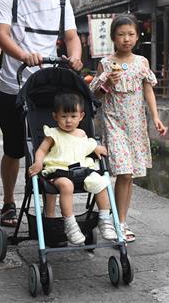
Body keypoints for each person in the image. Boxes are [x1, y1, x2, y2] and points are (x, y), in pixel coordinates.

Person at [0, 0, 83, 228]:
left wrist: (75, 56)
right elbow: (1, 34)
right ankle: (8, 202)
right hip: (13, 83)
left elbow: (71, 36)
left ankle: (49, 210)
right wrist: (22, 55)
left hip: (46, 86)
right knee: (14, 148)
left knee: (51, 146)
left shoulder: (62, 2)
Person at [89, 14, 167, 242]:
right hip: (114, 123)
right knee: (123, 171)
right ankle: (116, 221)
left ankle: (120, 221)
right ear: (113, 37)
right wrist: (107, 83)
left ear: (137, 36)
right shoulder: (105, 63)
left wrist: (156, 117)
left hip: (136, 124)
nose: (126, 39)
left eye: (131, 34)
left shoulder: (142, 62)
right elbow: (95, 95)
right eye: (121, 34)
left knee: (128, 175)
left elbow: (148, 90)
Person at [27, 92, 118, 245]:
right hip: (59, 171)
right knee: (66, 185)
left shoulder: (82, 134)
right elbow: (41, 150)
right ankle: (70, 224)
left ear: (81, 116)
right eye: (64, 117)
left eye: (73, 116)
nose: (68, 121)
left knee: (101, 183)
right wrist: (37, 162)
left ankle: (104, 219)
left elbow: (88, 145)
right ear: (55, 116)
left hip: (82, 171)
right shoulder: (53, 134)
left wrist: (96, 148)